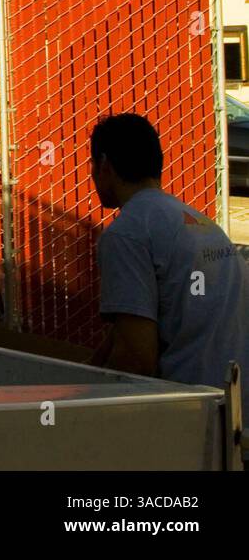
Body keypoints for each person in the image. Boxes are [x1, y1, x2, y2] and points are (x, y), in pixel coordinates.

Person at [87, 113, 249, 416]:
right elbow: (136, 318)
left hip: (193, 414)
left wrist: (83, 409)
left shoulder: (127, 234)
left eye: (93, 166)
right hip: (235, 406)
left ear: (105, 165)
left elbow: (137, 359)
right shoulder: (197, 222)